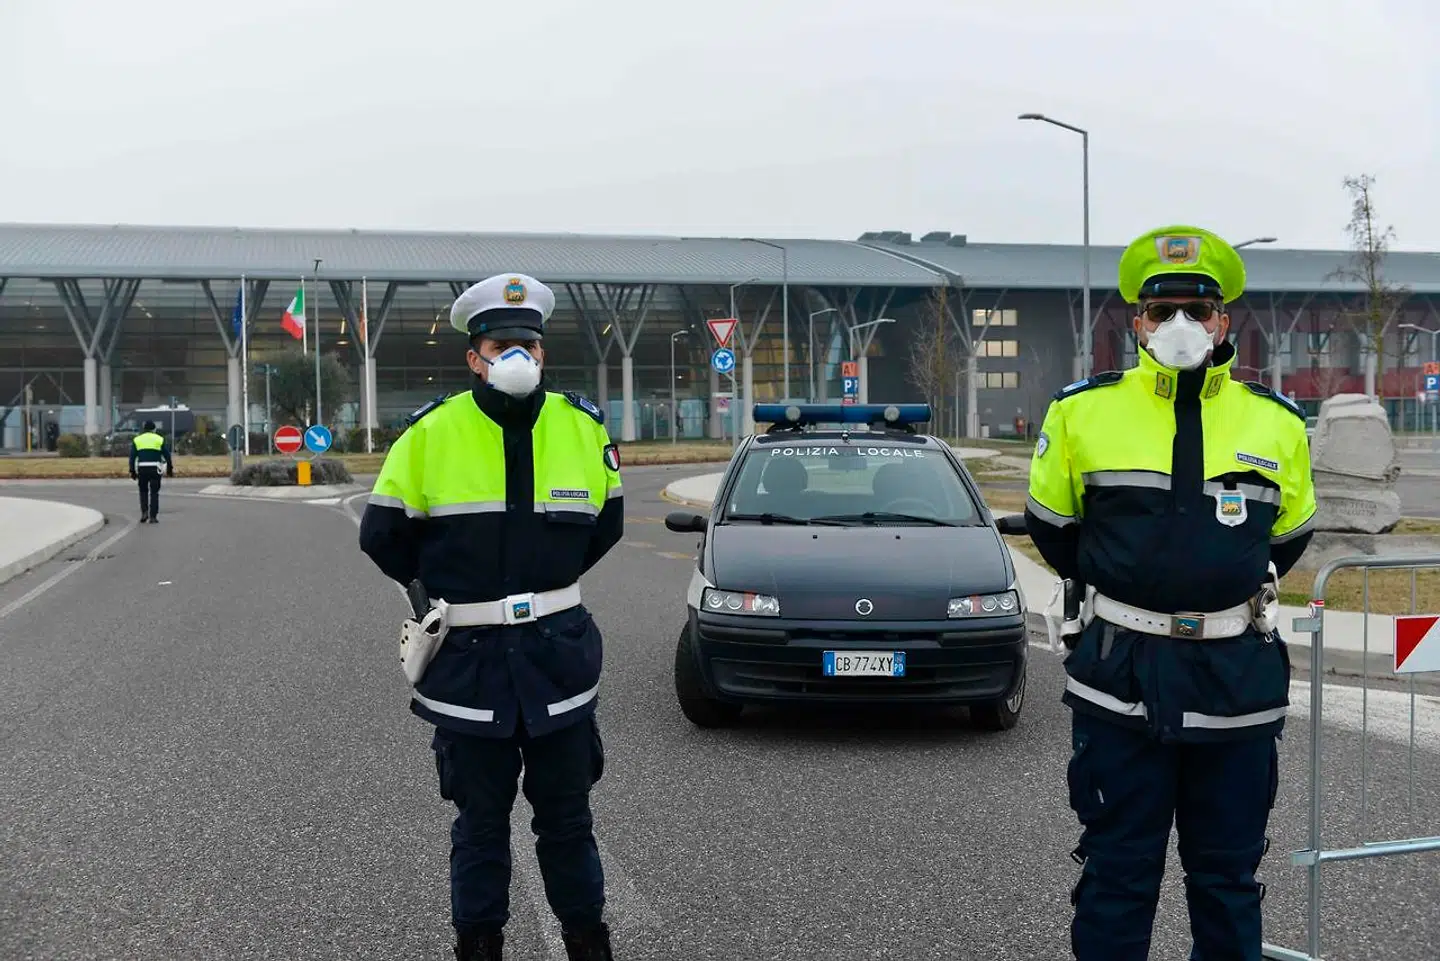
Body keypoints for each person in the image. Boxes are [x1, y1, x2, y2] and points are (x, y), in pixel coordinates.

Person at [1024, 226, 1316, 961]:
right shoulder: (1079, 413)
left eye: (1198, 308)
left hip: (1236, 683)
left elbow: (1285, 539)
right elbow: (1053, 527)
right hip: (1122, 676)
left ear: (1224, 321)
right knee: (1118, 876)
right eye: (1162, 311)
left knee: (1226, 880)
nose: (1180, 324)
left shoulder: (1278, 425)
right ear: (1136, 323)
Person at [358, 273, 624, 961]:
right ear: (472, 355)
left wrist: (546, 587)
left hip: (557, 662)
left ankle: (589, 945)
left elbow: (608, 524)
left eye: (528, 344)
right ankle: (478, 947)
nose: (518, 356)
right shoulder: (429, 433)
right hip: (470, 669)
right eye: (501, 343)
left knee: (568, 821)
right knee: (480, 825)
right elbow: (382, 535)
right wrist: (439, 598)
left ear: (543, 353)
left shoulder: (582, 425)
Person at [128, 420, 174, 523]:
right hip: (155, 469)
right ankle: (153, 516)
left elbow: (132, 457)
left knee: (143, 491)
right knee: (154, 492)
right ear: (154, 429)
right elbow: (167, 455)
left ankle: (144, 513)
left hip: (142, 469)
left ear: (144, 429)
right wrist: (170, 468)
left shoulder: (137, 440)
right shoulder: (159, 439)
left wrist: (132, 471)